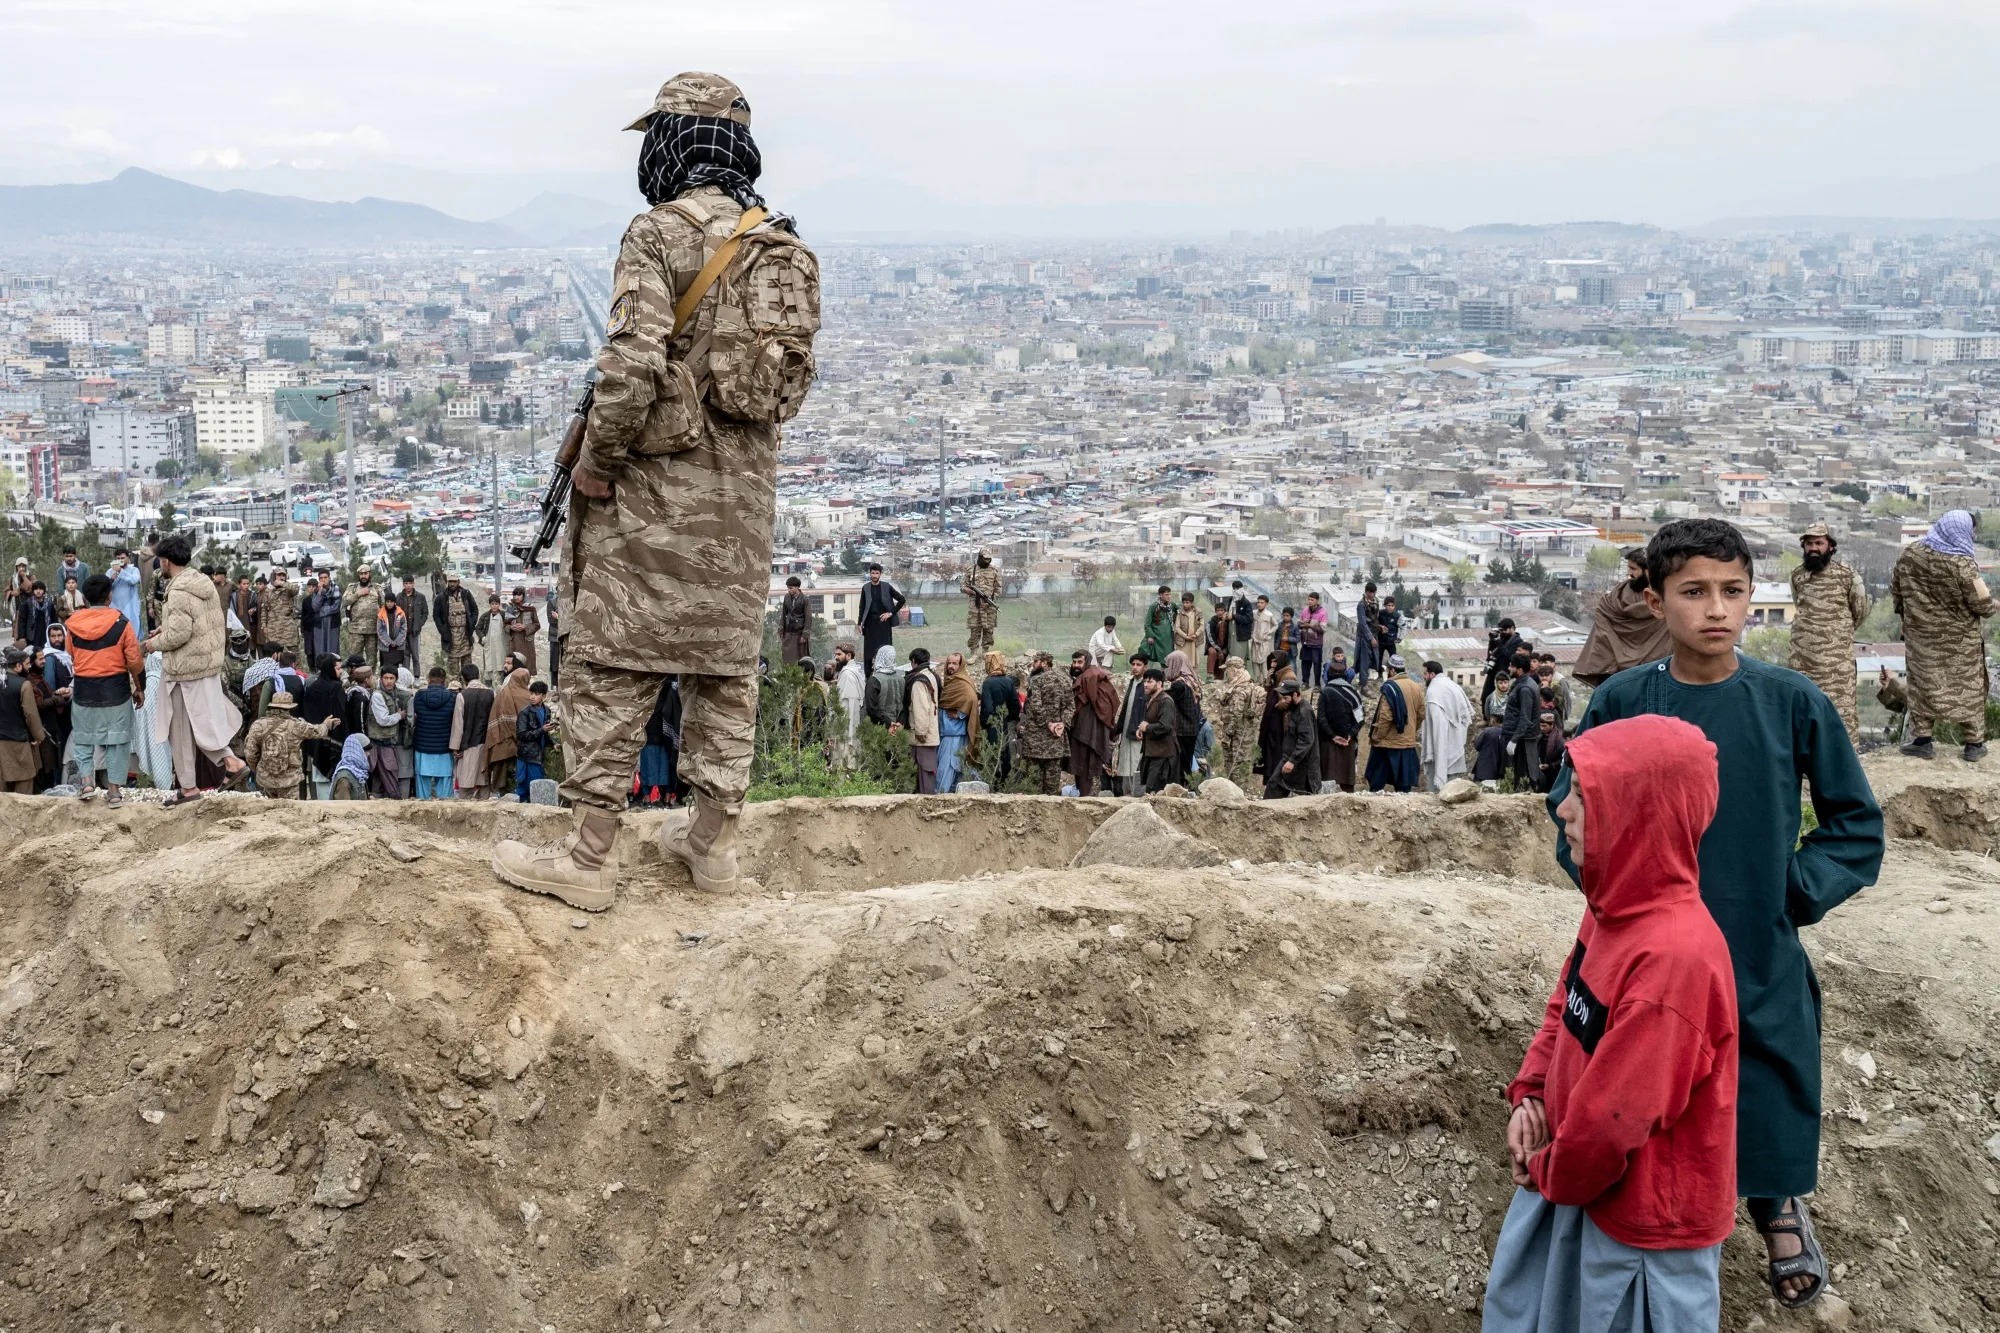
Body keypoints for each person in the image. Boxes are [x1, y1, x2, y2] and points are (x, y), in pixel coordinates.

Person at [490, 72, 821, 906]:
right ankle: (710, 845)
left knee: (611, 662)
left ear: (674, 141)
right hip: (740, 511)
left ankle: (591, 860)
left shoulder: (658, 235)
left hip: (650, 507)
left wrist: (595, 460)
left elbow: (630, 366)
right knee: (723, 671)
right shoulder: (775, 243)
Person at [1549, 517, 1883, 1308]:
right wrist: (1612, 889)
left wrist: (1792, 891)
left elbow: (1855, 824)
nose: (1716, 609)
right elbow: (1572, 802)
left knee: (1768, 1062)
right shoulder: (1627, 698)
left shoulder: (1791, 700)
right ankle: (1643, 1211)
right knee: (1649, 1074)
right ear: (1657, 599)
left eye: (1732, 591)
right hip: (1652, 937)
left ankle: (1775, 1201)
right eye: (1693, 591)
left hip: (1756, 931)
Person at [1488, 715, 1739, 1333]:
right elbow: (1565, 1007)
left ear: (1640, 816)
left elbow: (1609, 1122)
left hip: (1642, 1230)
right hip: (1580, 1182)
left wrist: (1546, 1168)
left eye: (1586, 797)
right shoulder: (1612, 910)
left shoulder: (1674, 960)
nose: (1563, 811)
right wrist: (1530, 1096)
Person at [143, 534, 249, 804]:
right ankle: (213, 772)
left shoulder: (178, 591)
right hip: (206, 665)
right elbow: (198, 623)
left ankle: (210, 775)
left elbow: (179, 634)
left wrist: (152, 644)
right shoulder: (202, 582)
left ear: (166, 561)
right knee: (200, 724)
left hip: (185, 670)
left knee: (183, 728)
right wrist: (165, 627)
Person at [1891, 509, 1995, 761]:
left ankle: (1922, 740)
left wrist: (1905, 618)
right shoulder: (1962, 564)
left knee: (1923, 684)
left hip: (1921, 638)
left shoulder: (1911, 554)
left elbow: (1897, 590)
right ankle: (1973, 744)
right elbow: (1983, 606)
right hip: (1960, 642)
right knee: (1968, 687)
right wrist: (1993, 604)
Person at [65, 573, 145, 805]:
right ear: (110, 596)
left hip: (84, 691)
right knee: (117, 742)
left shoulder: (73, 625)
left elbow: (71, 653)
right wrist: (139, 688)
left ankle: (87, 782)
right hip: (116, 691)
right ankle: (114, 792)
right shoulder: (122, 623)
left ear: (87, 598)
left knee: (83, 739)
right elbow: (135, 661)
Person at [1787, 525, 1868, 742]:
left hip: (1836, 663)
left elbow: (1860, 610)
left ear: (1830, 547)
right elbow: (1799, 604)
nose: (1813, 548)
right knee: (1802, 708)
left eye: (1819, 543)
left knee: (1840, 711)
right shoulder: (1797, 575)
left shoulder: (1847, 575)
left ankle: (1844, 762)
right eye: (1809, 543)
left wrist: (1837, 632)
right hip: (1802, 659)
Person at [1574, 549, 1670, 687]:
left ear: (1648, 570)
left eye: (1633, 568)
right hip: (1614, 675)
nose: (1629, 573)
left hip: (1653, 676)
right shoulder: (1618, 595)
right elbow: (1604, 624)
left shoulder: (1667, 600)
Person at [241, 691, 337, 799]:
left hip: (266, 779)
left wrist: (259, 770)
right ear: (290, 708)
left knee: (269, 811)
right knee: (289, 811)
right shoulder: (296, 725)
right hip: (289, 780)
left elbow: (250, 753)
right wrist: (326, 724)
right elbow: (318, 731)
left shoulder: (258, 725)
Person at [1364, 654, 1425, 793]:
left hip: (1387, 744)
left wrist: (1378, 736)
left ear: (1392, 671)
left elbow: (1385, 716)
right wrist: (1410, 731)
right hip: (1407, 743)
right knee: (1404, 787)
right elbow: (1421, 714)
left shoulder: (1390, 687)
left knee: (1376, 783)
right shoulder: (1415, 687)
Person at [1202, 656, 1262, 790]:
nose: (1226, 674)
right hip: (1245, 732)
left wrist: (1228, 734)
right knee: (1240, 763)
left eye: (1228, 671)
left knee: (1235, 764)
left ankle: (1235, 792)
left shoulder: (1239, 690)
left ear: (1234, 671)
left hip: (1238, 734)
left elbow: (1236, 714)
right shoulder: (1247, 685)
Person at [1019, 650, 1071, 794]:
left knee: (1034, 787)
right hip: (1056, 739)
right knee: (1052, 787)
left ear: (1044, 663)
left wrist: (1047, 724)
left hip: (1036, 740)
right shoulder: (1065, 679)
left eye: (1035, 662)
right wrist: (1062, 724)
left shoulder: (1036, 680)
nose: (1032, 666)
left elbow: (1035, 705)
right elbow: (1070, 706)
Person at [1068, 648, 1118, 797]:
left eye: (1079, 662)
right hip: (1080, 728)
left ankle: (1086, 796)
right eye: (1074, 662)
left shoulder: (1091, 676)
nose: (1076, 665)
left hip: (1089, 729)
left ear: (1087, 662)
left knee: (1085, 763)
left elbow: (1106, 703)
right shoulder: (1083, 676)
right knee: (1080, 763)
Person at [1420, 660, 1472, 793]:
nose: (1424, 677)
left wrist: (1439, 749)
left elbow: (1438, 726)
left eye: (1425, 674)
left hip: (1440, 749)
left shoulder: (1433, 691)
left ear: (1432, 674)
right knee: (1453, 793)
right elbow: (1465, 718)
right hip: (1455, 746)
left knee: (1437, 794)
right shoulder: (1453, 686)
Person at [1261, 679, 1317, 799]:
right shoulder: (1293, 709)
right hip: (1289, 759)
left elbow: (1306, 741)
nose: (1283, 701)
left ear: (1295, 695)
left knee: (1307, 798)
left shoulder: (1304, 712)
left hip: (1301, 764)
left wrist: (1292, 761)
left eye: (1285, 698)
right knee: (1272, 789)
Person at [0, 648, 45, 794]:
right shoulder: (23, 685)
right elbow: (31, 714)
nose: (30, 666)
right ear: (18, 666)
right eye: (26, 664)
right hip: (18, 742)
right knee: (24, 782)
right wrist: (39, 736)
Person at [1317, 653, 1363, 793]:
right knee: (1347, 781)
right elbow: (1360, 719)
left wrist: (1332, 735)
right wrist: (1350, 735)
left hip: (1327, 743)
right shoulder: (1354, 693)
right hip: (1347, 744)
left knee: (1327, 781)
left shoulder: (1325, 692)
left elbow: (1321, 718)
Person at [409, 666, 457, 799]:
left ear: (429, 680)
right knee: (445, 789)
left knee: (422, 787)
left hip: (422, 747)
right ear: (444, 681)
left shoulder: (419, 697)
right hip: (444, 748)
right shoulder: (452, 698)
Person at [448, 663, 495, 799]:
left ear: (463, 678)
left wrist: (455, 747)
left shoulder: (462, 695)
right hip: (486, 745)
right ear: (478, 675)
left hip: (467, 746)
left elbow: (458, 724)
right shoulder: (491, 693)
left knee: (466, 784)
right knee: (484, 783)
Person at [485, 665, 532, 795]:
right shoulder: (528, 696)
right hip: (524, 744)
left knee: (502, 777)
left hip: (502, 742)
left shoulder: (502, 694)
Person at [937, 651, 981, 792]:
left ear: (961, 665)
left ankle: (941, 795)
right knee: (956, 765)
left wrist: (960, 714)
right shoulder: (951, 680)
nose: (951, 666)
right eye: (949, 663)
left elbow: (971, 699)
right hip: (948, 731)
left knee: (948, 766)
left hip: (953, 733)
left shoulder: (962, 681)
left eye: (955, 663)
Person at [978, 650, 1019, 789]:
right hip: (1005, 724)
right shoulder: (1008, 681)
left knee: (992, 756)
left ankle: (993, 786)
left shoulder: (988, 683)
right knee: (1005, 755)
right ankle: (1005, 785)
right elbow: (1015, 706)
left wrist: (984, 722)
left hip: (992, 726)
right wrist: (1007, 718)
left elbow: (987, 707)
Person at [1499, 652, 1540, 789]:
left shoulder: (1525, 689)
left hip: (1523, 741)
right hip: (1520, 737)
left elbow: (1525, 718)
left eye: (1512, 666)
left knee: (1522, 779)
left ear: (1520, 670)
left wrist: (1514, 740)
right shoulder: (1521, 683)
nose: (1509, 668)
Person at [1137, 667, 1180, 793]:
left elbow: (1165, 726)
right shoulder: (1152, 699)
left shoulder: (1165, 701)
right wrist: (1142, 729)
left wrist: (1147, 728)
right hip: (1154, 752)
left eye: (1149, 682)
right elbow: (1152, 720)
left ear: (1159, 683)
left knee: (1157, 791)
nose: (1145, 685)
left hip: (1163, 755)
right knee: (1150, 790)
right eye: (1145, 682)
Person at [859, 564, 907, 677]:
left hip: (884, 625)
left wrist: (890, 613)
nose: (874, 575)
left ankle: (887, 674)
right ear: (869, 573)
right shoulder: (865, 588)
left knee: (885, 650)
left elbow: (901, 599)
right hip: (870, 625)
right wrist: (859, 623)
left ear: (880, 574)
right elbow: (862, 606)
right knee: (869, 653)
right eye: (873, 573)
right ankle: (869, 677)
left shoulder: (886, 586)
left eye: (877, 573)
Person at [1110, 653, 1148, 795]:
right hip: (1127, 731)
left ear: (1145, 667)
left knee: (1135, 765)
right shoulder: (1133, 683)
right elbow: (1126, 709)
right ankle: (1128, 793)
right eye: (1133, 665)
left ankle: (1137, 794)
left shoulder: (1145, 685)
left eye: (1138, 665)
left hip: (1138, 733)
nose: (1135, 668)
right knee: (1125, 764)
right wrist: (1117, 729)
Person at [1163, 649, 1203, 783]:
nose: (1166, 669)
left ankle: (1183, 790)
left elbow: (1163, 699)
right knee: (1186, 761)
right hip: (1191, 728)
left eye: (1168, 665)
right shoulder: (1191, 680)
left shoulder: (1179, 685)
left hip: (1182, 730)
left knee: (1181, 765)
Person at [906, 648, 941, 794]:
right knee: (928, 774)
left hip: (922, 737)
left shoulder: (918, 681)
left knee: (922, 778)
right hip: (931, 732)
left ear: (914, 662)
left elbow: (921, 708)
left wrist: (920, 732)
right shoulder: (933, 676)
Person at [514, 681, 553, 801]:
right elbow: (521, 735)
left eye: (536, 694)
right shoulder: (525, 713)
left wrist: (553, 743)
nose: (532, 697)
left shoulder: (546, 710)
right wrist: (541, 730)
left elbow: (545, 732)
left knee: (535, 787)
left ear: (544, 696)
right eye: (531, 693)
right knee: (527, 787)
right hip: (528, 756)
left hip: (538, 755)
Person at [434, 573, 481, 673]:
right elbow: (436, 616)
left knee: (467, 670)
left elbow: (475, 610)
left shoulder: (466, 594)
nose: (452, 584)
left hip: (465, 637)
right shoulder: (442, 598)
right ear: (447, 583)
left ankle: (467, 688)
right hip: (451, 638)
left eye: (454, 581)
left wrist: (472, 624)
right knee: (453, 671)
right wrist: (443, 631)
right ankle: (454, 688)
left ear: (458, 582)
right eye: (450, 581)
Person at [961, 552, 1002, 658]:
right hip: (975, 607)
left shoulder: (994, 571)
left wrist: (990, 602)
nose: (987, 561)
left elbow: (998, 589)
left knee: (988, 630)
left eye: (989, 559)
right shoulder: (971, 570)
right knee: (974, 629)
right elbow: (963, 586)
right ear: (980, 557)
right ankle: (974, 653)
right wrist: (968, 590)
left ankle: (985, 651)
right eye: (985, 559)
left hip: (989, 607)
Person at [341, 565, 382, 668]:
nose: (363, 576)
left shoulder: (377, 588)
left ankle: (369, 680)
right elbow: (345, 601)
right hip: (356, 630)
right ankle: (355, 679)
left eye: (365, 574)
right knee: (354, 658)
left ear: (370, 574)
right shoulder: (352, 587)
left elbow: (383, 605)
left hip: (372, 630)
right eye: (361, 574)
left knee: (371, 658)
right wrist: (358, 594)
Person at [1482, 617, 1527, 711]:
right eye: (1501, 630)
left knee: (1501, 698)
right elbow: (1490, 654)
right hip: (1494, 671)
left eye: (1505, 630)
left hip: (1505, 673)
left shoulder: (1517, 642)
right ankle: (1487, 717)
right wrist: (1492, 641)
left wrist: (1499, 643)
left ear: (1512, 628)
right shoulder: (1501, 639)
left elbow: (1509, 656)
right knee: (1487, 695)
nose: (1503, 632)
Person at [832, 641, 865, 769]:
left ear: (849, 656)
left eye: (839, 654)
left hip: (846, 727)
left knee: (844, 762)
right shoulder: (852, 672)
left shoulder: (848, 674)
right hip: (847, 725)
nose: (836, 657)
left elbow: (849, 705)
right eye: (835, 654)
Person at [261, 567, 301, 657]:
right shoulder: (268, 591)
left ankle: (297, 671)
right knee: (274, 653)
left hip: (288, 627)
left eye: (283, 575)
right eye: (279, 575)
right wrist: (264, 625)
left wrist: (282, 583)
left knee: (294, 652)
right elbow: (264, 609)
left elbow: (296, 589)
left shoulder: (288, 588)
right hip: (273, 627)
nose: (281, 577)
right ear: (274, 576)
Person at [864, 645, 906, 730]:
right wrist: (899, 723)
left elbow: (871, 708)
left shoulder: (874, 679)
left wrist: (888, 724)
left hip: (879, 728)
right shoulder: (901, 679)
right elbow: (905, 704)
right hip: (898, 727)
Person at [305, 571, 343, 662]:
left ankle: (334, 669)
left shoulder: (336, 589)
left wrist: (321, 611)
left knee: (333, 647)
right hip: (320, 623)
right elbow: (315, 606)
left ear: (329, 578)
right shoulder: (317, 591)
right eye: (321, 578)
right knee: (320, 648)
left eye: (325, 577)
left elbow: (336, 607)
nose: (323, 580)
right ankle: (321, 669)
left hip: (332, 623)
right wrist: (320, 593)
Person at [397, 576, 430, 672]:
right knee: (405, 655)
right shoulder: (399, 597)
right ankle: (406, 675)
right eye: (406, 583)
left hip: (414, 631)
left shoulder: (420, 597)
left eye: (410, 583)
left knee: (415, 654)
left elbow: (425, 612)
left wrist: (419, 624)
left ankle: (416, 676)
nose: (408, 586)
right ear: (403, 584)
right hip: (402, 631)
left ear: (413, 584)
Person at [108, 548, 144, 632]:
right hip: (114, 605)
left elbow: (134, 580)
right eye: (118, 558)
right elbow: (105, 587)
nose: (120, 560)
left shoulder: (134, 570)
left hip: (130, 605)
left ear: (128, 558)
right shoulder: (110, 571)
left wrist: (121, 571)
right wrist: (111, 579)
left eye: (122, 558)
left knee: (132, 630)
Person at [1351, 582, 1381, 681]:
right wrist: (1371, 638)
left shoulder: (1376, 602)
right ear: (1366, 592)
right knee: (1364, 660)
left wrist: (1380, 627)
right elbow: (1363, 624)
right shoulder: (1361, 605)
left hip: (1374, 633)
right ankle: (1364, 685)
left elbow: (1374, 620)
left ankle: (1367, 680)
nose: (1371, 595)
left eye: (1373, 592)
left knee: (1372, 659)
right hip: (1364, 636)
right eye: (1369, 592)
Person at [778, 576, 810, 667]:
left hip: (799, 633)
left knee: (800, 658)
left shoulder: (805, 600)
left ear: (797, 587)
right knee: (787, 657)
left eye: (791, 588)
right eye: (788, 588)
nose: (789, 590)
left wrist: (805, 635)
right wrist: (781, 630)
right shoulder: (787, 597)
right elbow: (783, 614)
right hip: (788, 632)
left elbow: (808, 618)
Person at [376, 593, 410, 679]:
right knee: (386, 667)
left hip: (397, 646)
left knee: (396, 667)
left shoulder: (400, 612)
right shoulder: (381, 613)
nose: (389, 603)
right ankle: (385, 681)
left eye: (391, 601)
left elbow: (404, 628)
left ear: (394, 602)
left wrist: (397, 642)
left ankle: (395, 682)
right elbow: (380, 630)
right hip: (386, 646)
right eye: (387, 601)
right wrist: (389, 642)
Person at [1297, 591, 1327, 687]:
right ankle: (1305, 683)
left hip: (1316, 644)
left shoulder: (1322, 613)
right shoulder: (1305, 611)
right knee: (1305, 664)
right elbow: (1298, 624)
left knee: (1316, 665)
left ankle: (1317, 685)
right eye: (1309, 599)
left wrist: (1309, 625)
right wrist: (1303, 624)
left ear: (1317, 601)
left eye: (1312, 600)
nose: (1309, 601)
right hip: (1305, 642)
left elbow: (1323, 629)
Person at [1141, 586, 1175, 668]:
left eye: (1170, 594)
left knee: (1168, 657)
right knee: (1144, 650)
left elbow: (1179, 614)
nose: (1169, 596)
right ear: (1160, 595)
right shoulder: (1154, 607)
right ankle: (1146, 672)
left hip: (1168, 638)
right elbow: (1147, 623)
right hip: (1156, 636)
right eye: (1167, 594)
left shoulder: (1172, 606)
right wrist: (1150, 636)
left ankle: (1166, 675)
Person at [330, 734, 371, 801]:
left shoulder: (359, 773)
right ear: (357, 751)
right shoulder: (344, 778)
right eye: (366, 750)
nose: (368, 754)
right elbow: (343, 807)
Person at [1533, 709, 1565, 793]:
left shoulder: (1559, 741)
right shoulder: (1540, 737)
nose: (1541, 728)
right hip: (1542, 774)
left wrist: (1549, 766)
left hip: (1554, 776)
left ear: (1551, 725)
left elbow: (1563, 760)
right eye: (1540, 726)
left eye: (1544, 726)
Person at [229, 574, 261, 653]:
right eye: (244, 584)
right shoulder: (234, 595)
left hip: (250, 622)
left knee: (251, 642)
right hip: (238, 622)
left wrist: (253, 610)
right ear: (239, 584)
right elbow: (232, 610)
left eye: (247, 584)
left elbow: (256, 606)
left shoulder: (253, 595)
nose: (246, 586)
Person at [15, 581, 51, 651]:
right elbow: (22, 621)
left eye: (40, 589)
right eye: (36, 589)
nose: (38, 591)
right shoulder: (26, 604)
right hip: (31, 637)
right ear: (33, 591)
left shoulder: (49, 605)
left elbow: (53, 620)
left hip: (45, 635)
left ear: (44, 591)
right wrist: (22, 637)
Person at [1172, 591, 1204, 667]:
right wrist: (1186, 636)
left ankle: (1193, 677)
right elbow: (1177, 627)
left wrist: (1196, 635)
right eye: (1183, 602)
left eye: (1187, 602)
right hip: (1182, 641)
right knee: (1181, 662)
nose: (1185, 604)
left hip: (1194, 640)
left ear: (1192, 603)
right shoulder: (1180, 613)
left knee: (1193, 663)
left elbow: (1202, 625)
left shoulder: (1198, 612)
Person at [1249, 595, 1276, 681]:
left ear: (1266, 604)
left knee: (1264, 661)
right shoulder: (1253, 613)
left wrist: (1269, 632)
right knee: (1254, 660)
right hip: (1255, 641)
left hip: (1264, 642)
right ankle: (1257, 679)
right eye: (1258, 602)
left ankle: (1266, 680)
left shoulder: (1269, 615)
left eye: (1262, 603)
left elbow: (1276, 625)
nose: (1259, 604)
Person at [1228, 581, 1255, 663]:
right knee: (1232, 657)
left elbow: (1249, 618)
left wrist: (1234, 616)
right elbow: (1229, 612)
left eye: (1238, 588)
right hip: (1231, 631)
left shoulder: (1246, 603)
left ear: (1242, 589)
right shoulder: (1231, 600)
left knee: (1240, 658)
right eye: (1234, 588)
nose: (1236, 590)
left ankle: (1242, 674)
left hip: (1240, 634)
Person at [1204, 599, 1231, 679]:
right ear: (1215, 612)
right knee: (1212, 652)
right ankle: (1209, 675)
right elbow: (1210, 638)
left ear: (1225, 611)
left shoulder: (1229, 623)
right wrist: (1219, 650)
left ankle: (1221, 680)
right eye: (1218, 610)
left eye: (1221, 610)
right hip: (1214, 647)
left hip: (1225, 648)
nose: (1220, 612)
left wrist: (1226, 649)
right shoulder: (1211, 622)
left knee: (1220, 670)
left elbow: (1230, 638)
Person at [1376, 595, 1401, 668]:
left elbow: (1403, 627)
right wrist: (1380, 627)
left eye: (1392, 606)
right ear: (1385, 605)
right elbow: (1374, 623)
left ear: (1394, 606)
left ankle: (1391, 673)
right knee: (1378, 658)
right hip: (1380, 641)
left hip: (1391, 642)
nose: (1390, 607)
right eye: (1388, 605)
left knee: (1394, 659)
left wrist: (1400, 638)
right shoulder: (1380, 613)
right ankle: (1379, 672)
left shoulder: (1397, 616)